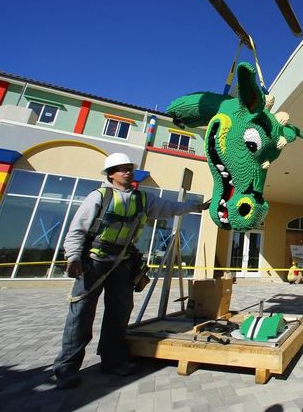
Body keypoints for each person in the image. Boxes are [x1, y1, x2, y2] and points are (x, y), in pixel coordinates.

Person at [53, 153, 209, 389]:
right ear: (111, 174)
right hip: (94, 263)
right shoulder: (99, 197)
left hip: (123, 263)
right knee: (80, 315)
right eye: (121, 169)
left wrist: (196, 206)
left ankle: (113, 361)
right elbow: (77, 230)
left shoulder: (143, 199)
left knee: (119, 313)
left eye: (129, 168)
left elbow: (170, 207)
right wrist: (73, 257)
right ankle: (67, 369)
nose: (127, 172)